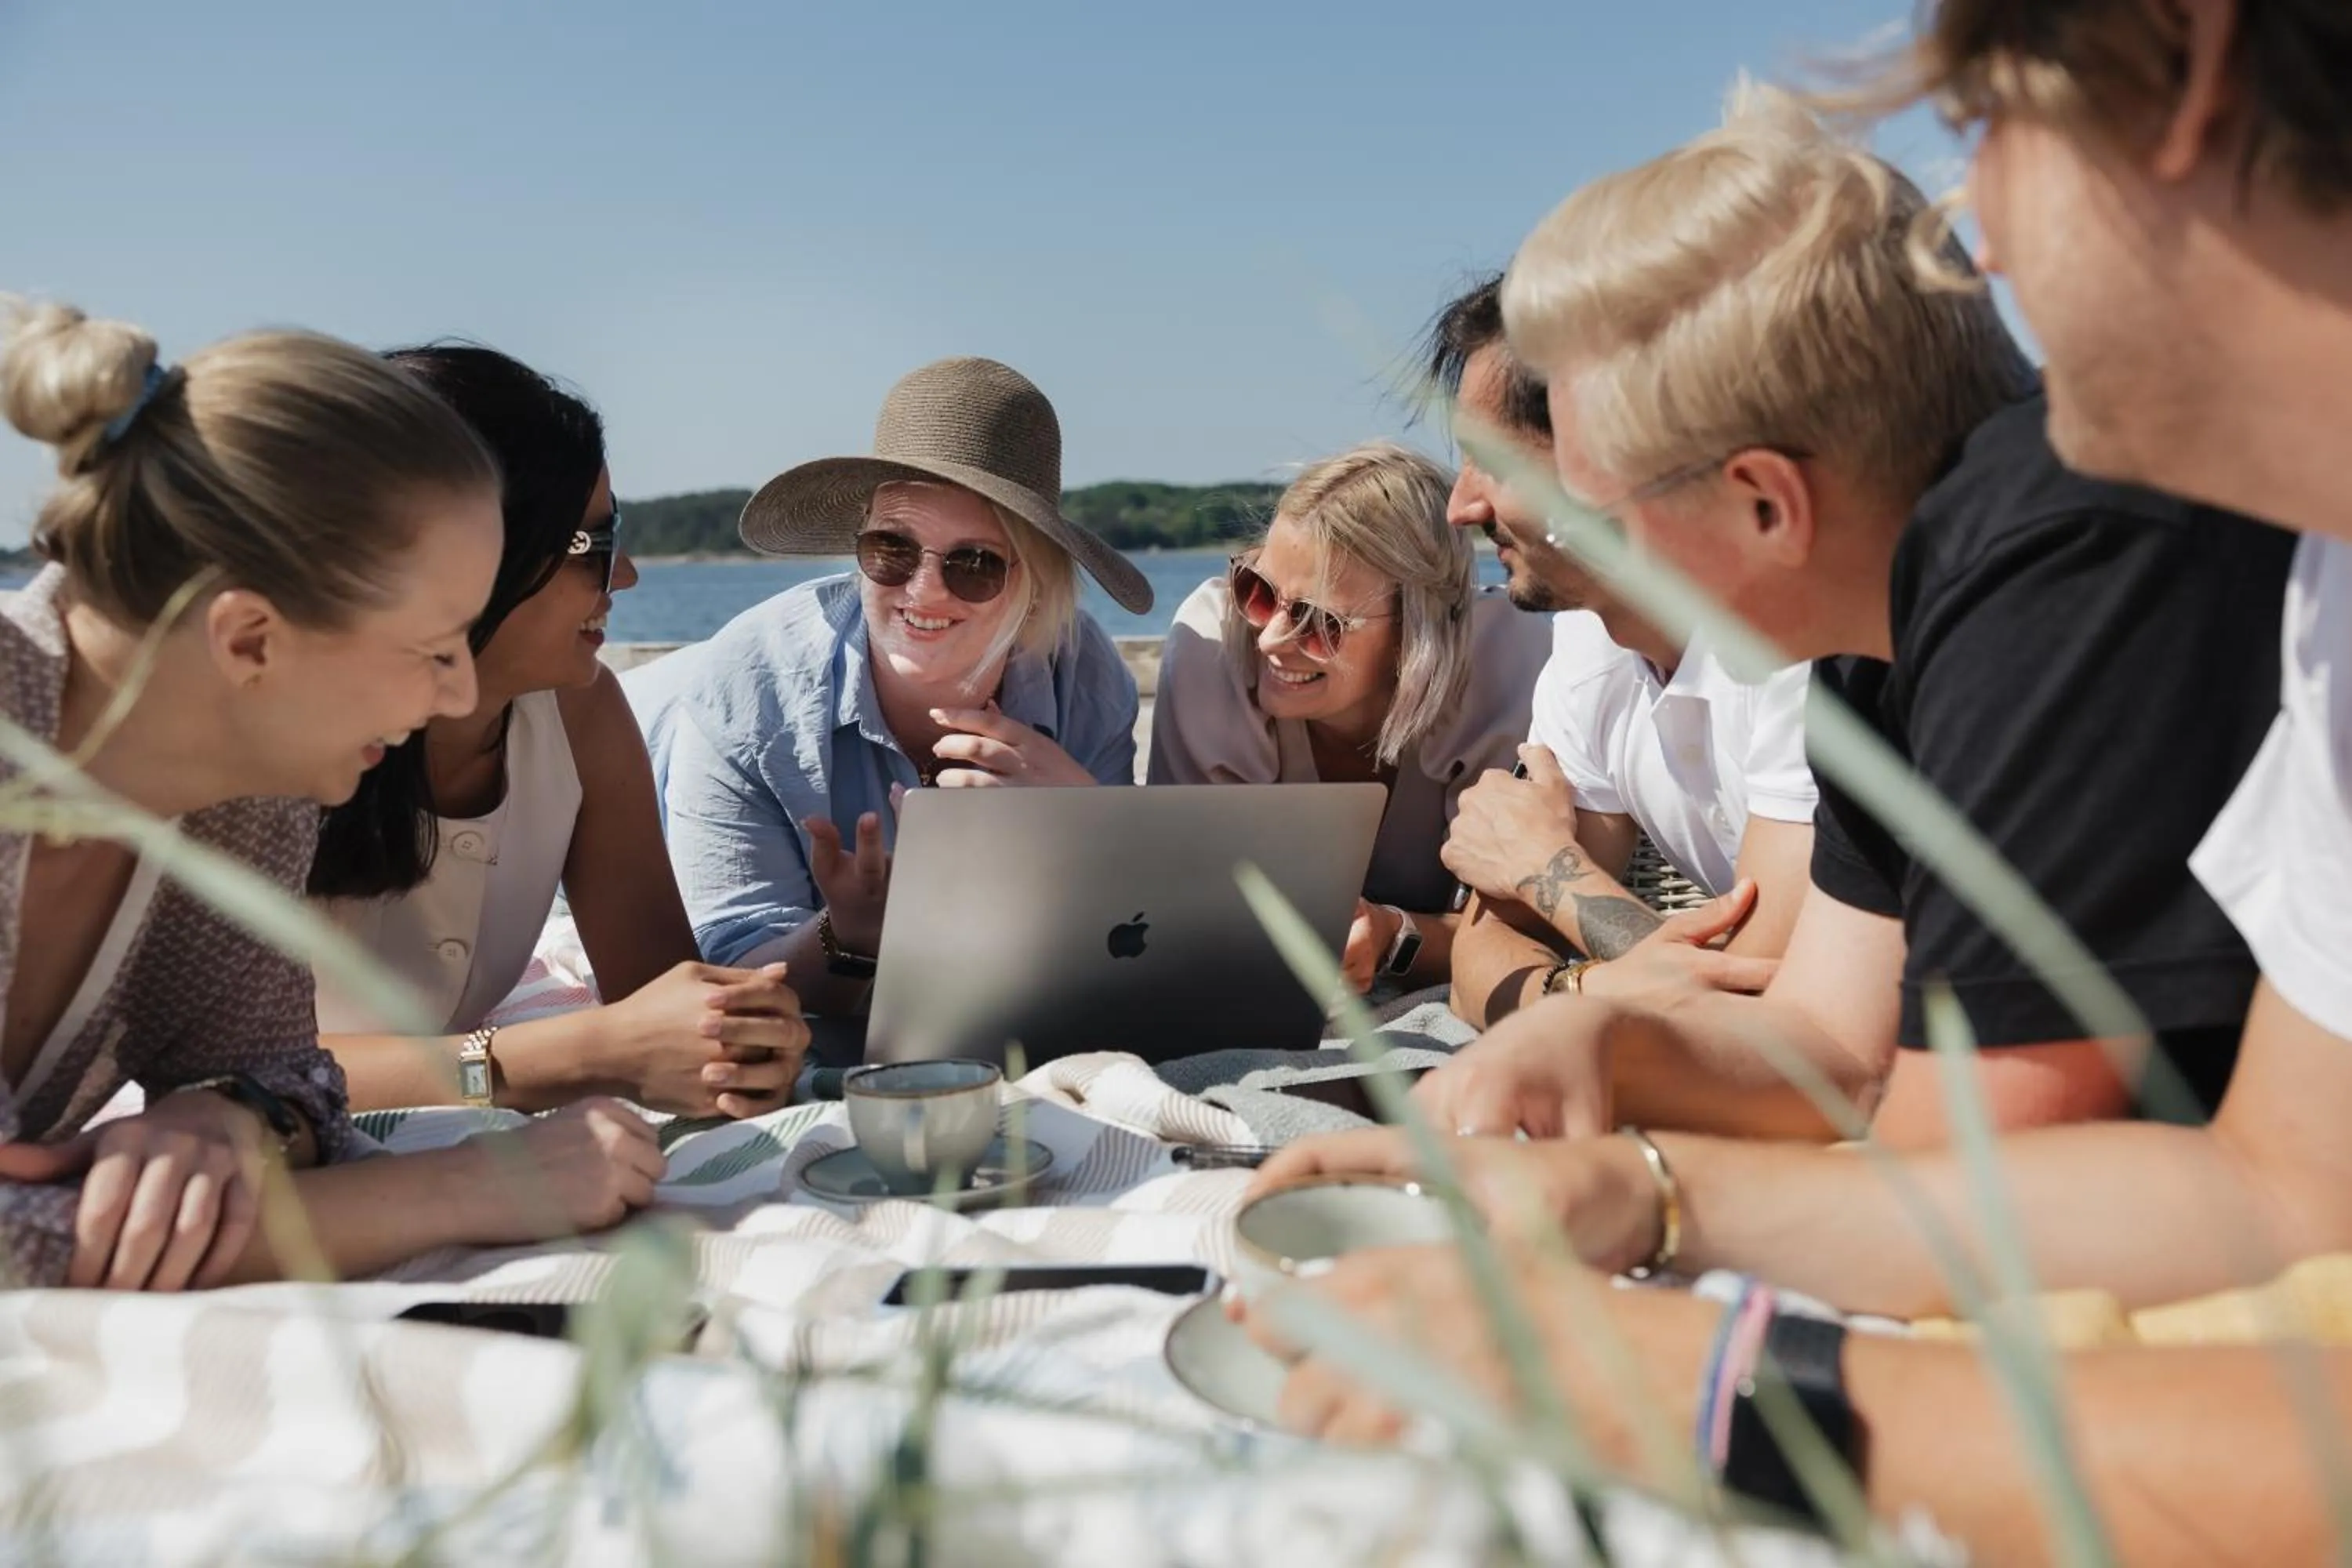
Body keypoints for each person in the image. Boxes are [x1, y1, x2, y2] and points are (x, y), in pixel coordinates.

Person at [1244, 17, 2352, 1559]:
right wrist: (1633, 1139)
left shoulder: (2056, 548)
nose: (1978, 239)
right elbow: (2267, 1186)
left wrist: (1702, 1378)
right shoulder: (2276, 592)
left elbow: (1994, 1158)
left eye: (1991, 136)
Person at [1408, 86, 2292, 1149]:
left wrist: (1645, 1198)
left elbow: (1957, 1164)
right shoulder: (1877, 635)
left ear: (1768, 504)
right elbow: (1827, 1045)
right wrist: (1592, 1044)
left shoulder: (2054, 575)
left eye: (1610, 513)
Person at [0, 301, 663, 1292]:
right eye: (432, 649)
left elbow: (292, 1077)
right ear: (250, 640)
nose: (453, 691)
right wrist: (476, 1186)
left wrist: (226, 1112)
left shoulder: (246, 788)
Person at [309, 346, 808, 1118]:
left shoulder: (579, 714)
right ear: (470, 555)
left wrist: (735, 1040)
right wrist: (576, 1054)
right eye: (597, 546)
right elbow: (247, 1078)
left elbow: (656, 1000)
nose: (629, 576)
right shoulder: (274, 742)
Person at [628, 357, 1145, 1014]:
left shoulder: (1086, 681)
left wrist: (1093, 827)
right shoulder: (747, 689)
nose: (924, 592)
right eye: (892, 550)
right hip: (603, 771)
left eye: (975, 564)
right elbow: (730, 969)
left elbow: (1119, 938)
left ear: (1037, 587)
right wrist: (847, 938)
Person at [1421, 277, 1816, 1029]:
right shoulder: (1588, 639)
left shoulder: (1800, 648)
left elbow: (1769, 1018)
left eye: (1491, 462)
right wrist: (1581, 993)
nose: (1462, 507)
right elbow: (1479, 968)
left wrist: (1547, 871)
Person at [1147, 443, 1550, 993]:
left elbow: (1522, 937)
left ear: (1418, 631)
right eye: (1258, 592)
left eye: (1317, 621)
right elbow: (1174, 903)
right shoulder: (1215, 645)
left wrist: (1395, 938)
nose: (1269, 638)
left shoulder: (1503, 661)